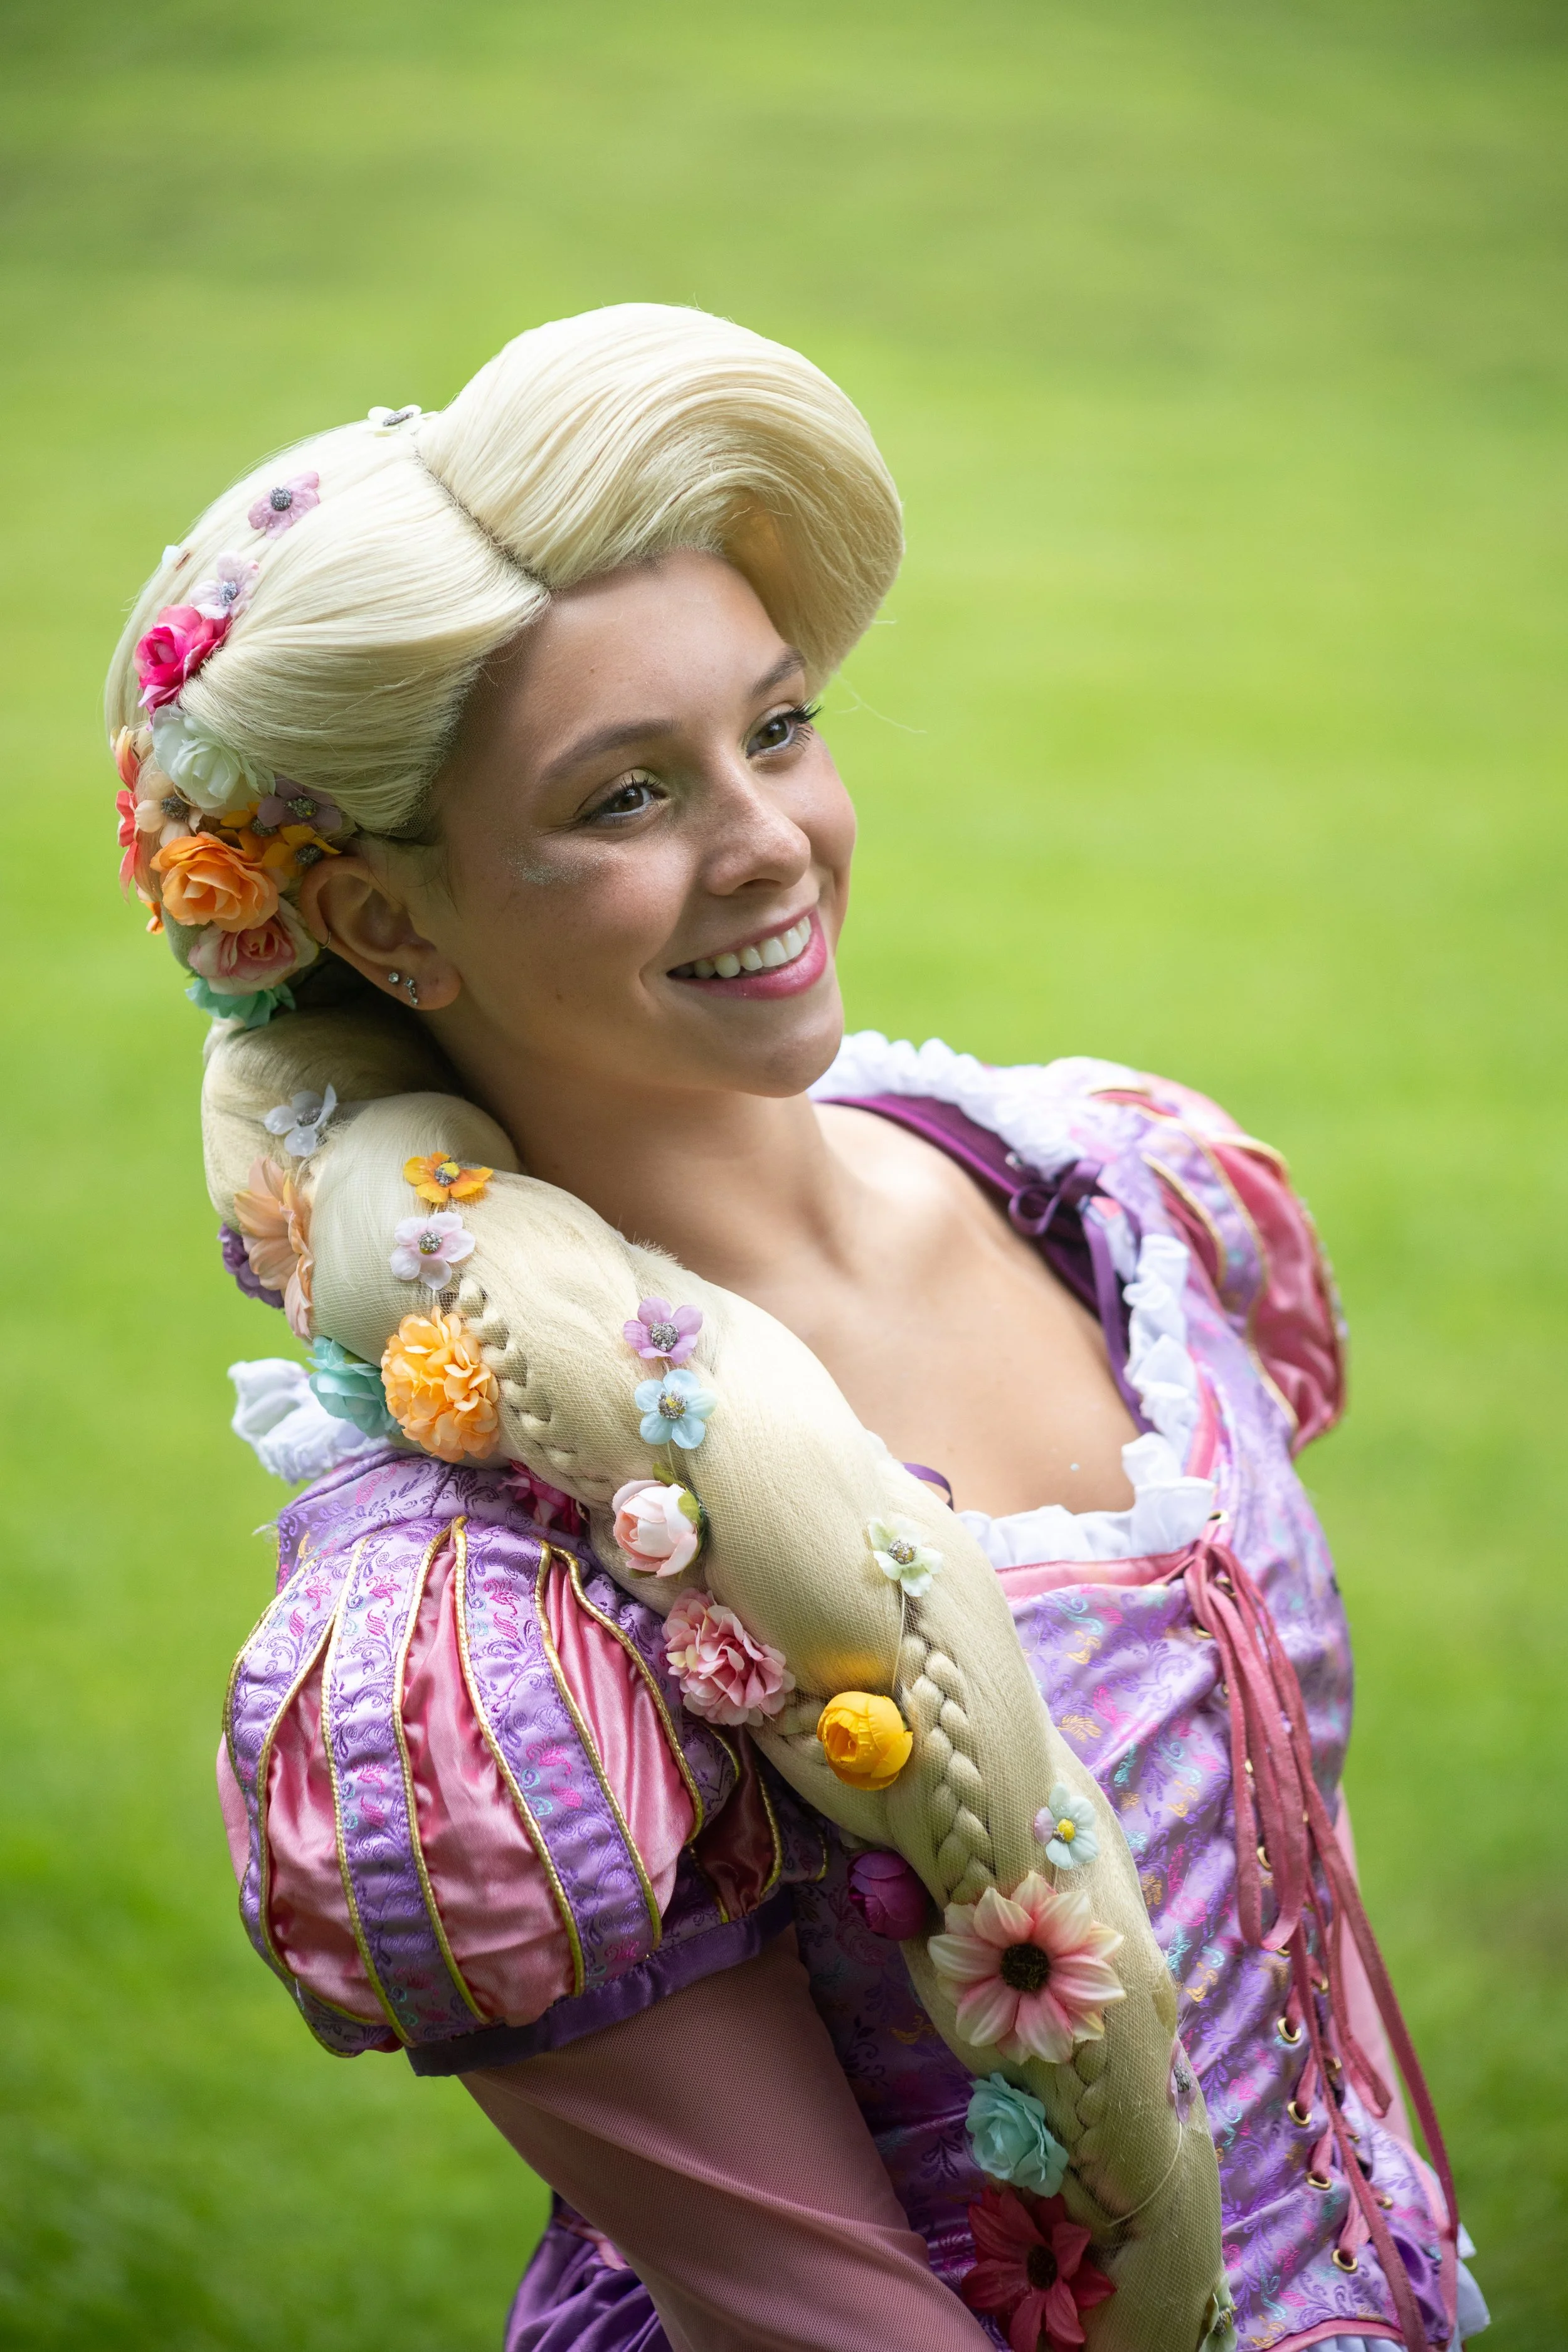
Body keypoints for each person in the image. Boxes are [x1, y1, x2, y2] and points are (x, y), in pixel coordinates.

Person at [107, 305, 1486, 2352]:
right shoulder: (487, 1605)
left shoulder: (1090, 1189)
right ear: (389, 921)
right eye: (624, 796)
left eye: (776, 728)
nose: (766, 844)